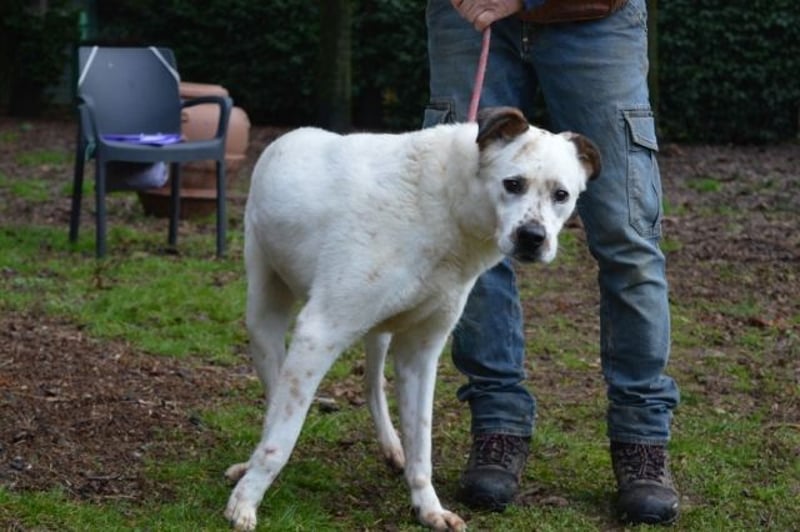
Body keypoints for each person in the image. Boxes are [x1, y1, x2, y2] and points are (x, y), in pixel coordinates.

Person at [422, 0, 681, 525]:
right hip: (468, 18)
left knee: (627, 238)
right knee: (476, 229)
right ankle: (496, 424)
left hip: (596, 19)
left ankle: (642, 438)